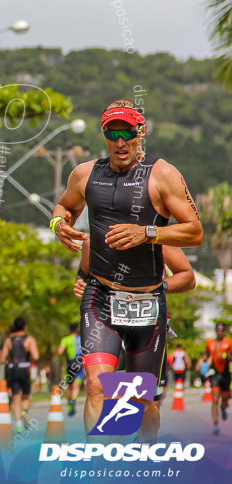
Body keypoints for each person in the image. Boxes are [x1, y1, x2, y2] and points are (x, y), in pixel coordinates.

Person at [53, 99, 203, 440]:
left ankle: (140, 463)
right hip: (101, 297)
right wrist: (57, 224)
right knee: (97, 387)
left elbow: (194, 231)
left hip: (147, 302)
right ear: (104, 134)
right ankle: (102, 465)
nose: (120, 142)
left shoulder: (162, 174)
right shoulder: (85, 173)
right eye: (112, 133)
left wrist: (147, 233)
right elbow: (64, 206)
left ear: (141, 132)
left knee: (142, 402)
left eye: (128, 133)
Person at [0, 317, 39, 431]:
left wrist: (8, 361)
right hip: (25, 369)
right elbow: (36, 356)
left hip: (13, 369)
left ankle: (19, 423)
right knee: (25, 395)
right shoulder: (29, 340)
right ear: (25, 327)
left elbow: (2, 359)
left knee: (16, 397)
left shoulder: (8, 340)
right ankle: (24, 411)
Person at [198, 321, 232, 435]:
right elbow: (206, 354)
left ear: (225, 331)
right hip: (215, 374)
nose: (219, 332)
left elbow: (231, 357)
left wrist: (226, 356)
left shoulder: (229, 342)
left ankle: (223, 407)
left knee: (226, 398)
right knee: (214, 399)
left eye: (222, 330)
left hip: (226, 374)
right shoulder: (209, 342)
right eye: (218, 330)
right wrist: (203, 362)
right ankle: (216, 424)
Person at [57, 323, 83, 417]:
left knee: (69, 386)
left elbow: (59, 351)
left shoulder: (65, 339)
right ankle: (74, 398)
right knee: (77, 384)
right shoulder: (81, 338)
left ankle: (69, 406)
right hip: (80, 363)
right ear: (77, 330)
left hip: (69, 364)